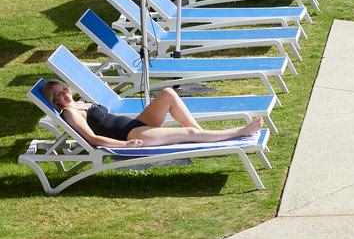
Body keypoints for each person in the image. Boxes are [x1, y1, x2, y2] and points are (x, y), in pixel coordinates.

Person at [41, 80, 261, 148]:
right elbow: (92, 139)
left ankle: (201, 136)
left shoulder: (79, 103)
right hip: (131, 136)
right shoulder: (70, 113)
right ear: (55, 103)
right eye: (57, 97)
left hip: (136, 123)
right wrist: (124, 145)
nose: (64, 97)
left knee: (167, 93)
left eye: (64, 91)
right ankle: (239, 132)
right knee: (188, 131)